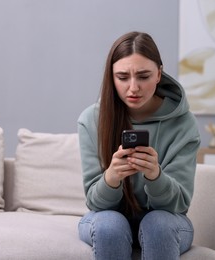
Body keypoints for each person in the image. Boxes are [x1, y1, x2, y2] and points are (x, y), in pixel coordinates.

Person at [77, 31, 201, 260]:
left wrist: (156, 176)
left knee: (159, 224)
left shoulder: (183, 123)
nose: (133, 88)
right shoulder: (91, 120)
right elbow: (94, 202)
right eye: (122, 77)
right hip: (108, 218)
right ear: (111, 77)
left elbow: (179, 205)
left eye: (143, 76)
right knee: (109, 224)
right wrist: (112, 177)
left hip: (165, 219)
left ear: (159, 74)